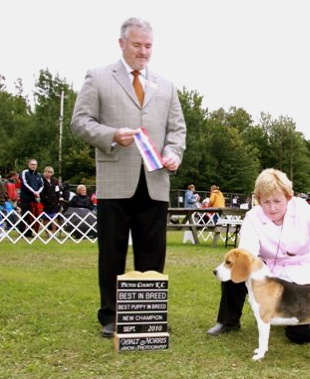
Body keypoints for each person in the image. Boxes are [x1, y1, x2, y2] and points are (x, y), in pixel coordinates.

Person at [70, 17, 186, 338]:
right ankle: (111, 315)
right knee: (112, 251)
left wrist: (174, 152)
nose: (143, 52)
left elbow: (177, 130)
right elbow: (79, 122)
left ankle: (148, 313)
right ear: (122, 43)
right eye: (137, 45)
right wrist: (110, 134)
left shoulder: (167, 85)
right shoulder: (98, 77)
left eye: (148, 46)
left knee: (153, 250)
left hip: (155, 181)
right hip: (115, 180)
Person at [207, 168, 310, 344]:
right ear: (258, 200)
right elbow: (246, 250)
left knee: (306, 337)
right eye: (266, 202)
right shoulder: (252, 217)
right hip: (270, 273)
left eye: (277, 201)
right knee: (235, 267)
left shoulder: (304, 210)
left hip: (304, 274)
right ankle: (228, 321)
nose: (272, 208)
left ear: (288, 197)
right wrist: (243, 261)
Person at [19, 159, 44, 237]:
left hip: (35, 198)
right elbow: (25, 183)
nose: (33, 166)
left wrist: (38, 192)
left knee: (33, 215)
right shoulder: (24, 172)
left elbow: (42, 185)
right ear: (28, 165)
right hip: (25, 198)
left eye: (35, 164)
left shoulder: (39, 175)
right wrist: (34, 192)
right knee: (25, 214)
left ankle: (29, 232)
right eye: (32, 164)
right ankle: (22, 232)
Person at [40, 166, 63, 234]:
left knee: (54, 217)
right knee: (45, 218)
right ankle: (47, 232)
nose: (49, 174)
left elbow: (57, 190)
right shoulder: (41, 180)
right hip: (45, 201)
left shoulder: (55, 180)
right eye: (48, 172)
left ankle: (53, 233)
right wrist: (45, 198)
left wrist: (60, 197)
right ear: (45, 172)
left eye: (51, 172)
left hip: (54, 201)